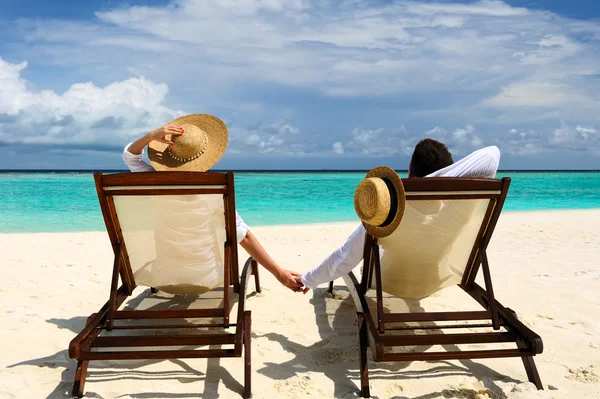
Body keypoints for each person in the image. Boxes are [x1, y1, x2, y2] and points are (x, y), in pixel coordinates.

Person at [123, 115, 303, 292]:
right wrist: (279, 272)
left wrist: (150, 136)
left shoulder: (152, 184)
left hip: (163, 276)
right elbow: (243, 237)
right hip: (206, 279)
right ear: (205, 156)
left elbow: (131, 156)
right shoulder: (215, 192)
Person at [296, 139, 501, 292]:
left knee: (364, 248)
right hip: (430, 282)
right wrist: (438, 185)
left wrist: (308, 279)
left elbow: (346, 257)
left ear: (410, 170)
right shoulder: (455, 212)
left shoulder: (387, 213)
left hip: (386, 285)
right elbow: (492, 155)